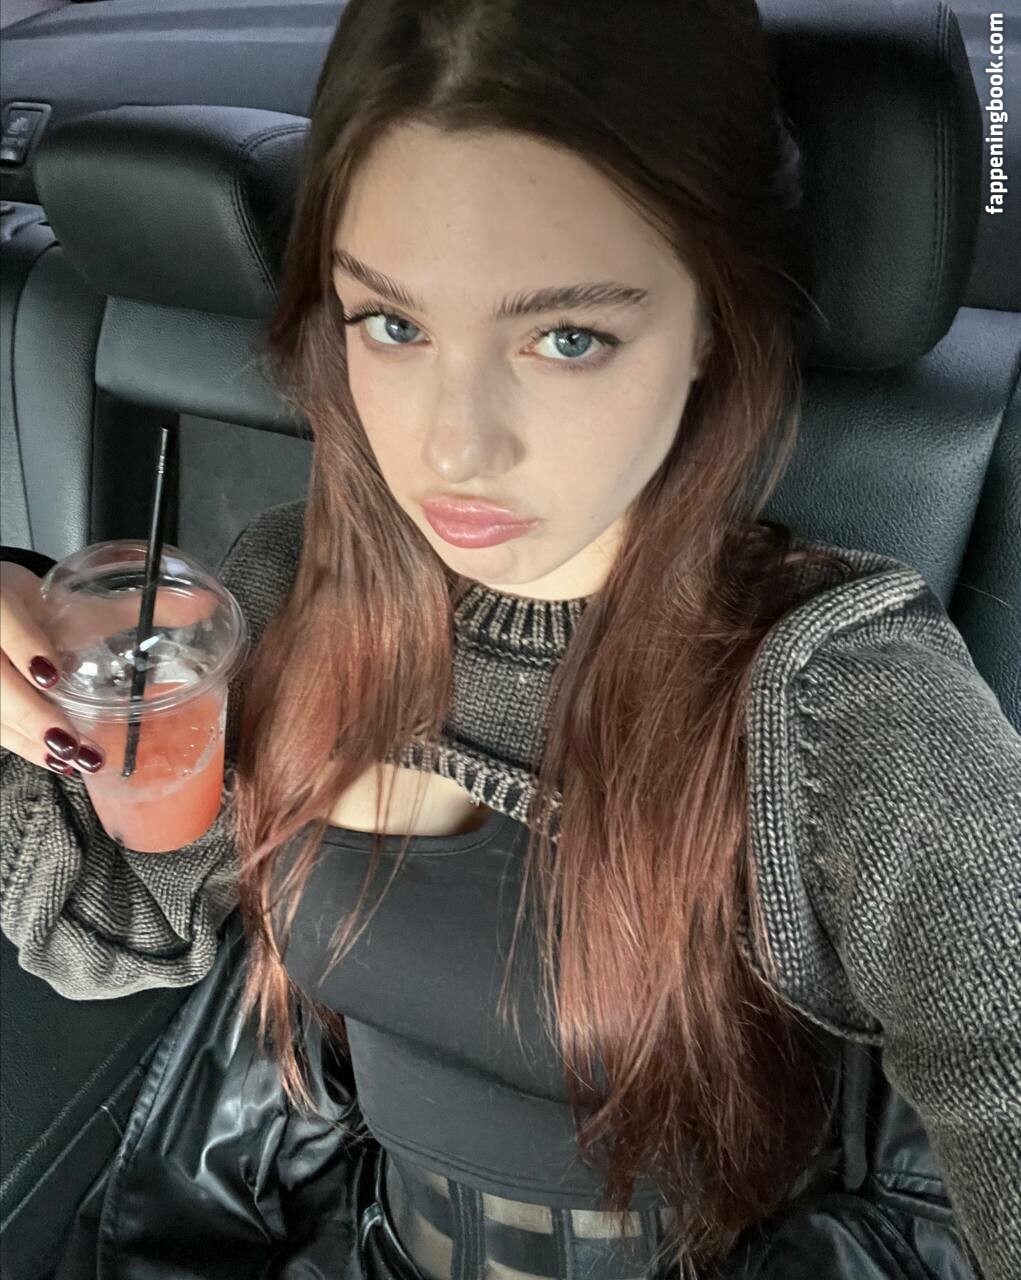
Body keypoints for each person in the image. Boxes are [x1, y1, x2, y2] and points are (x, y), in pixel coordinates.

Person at [2, 2, 1019, 1278]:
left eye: (566, 336)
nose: (454, 445)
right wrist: (27, 701)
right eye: (393, 324)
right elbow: (111, 931)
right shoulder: (286, 589)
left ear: (712, 321)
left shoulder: (843, 701)